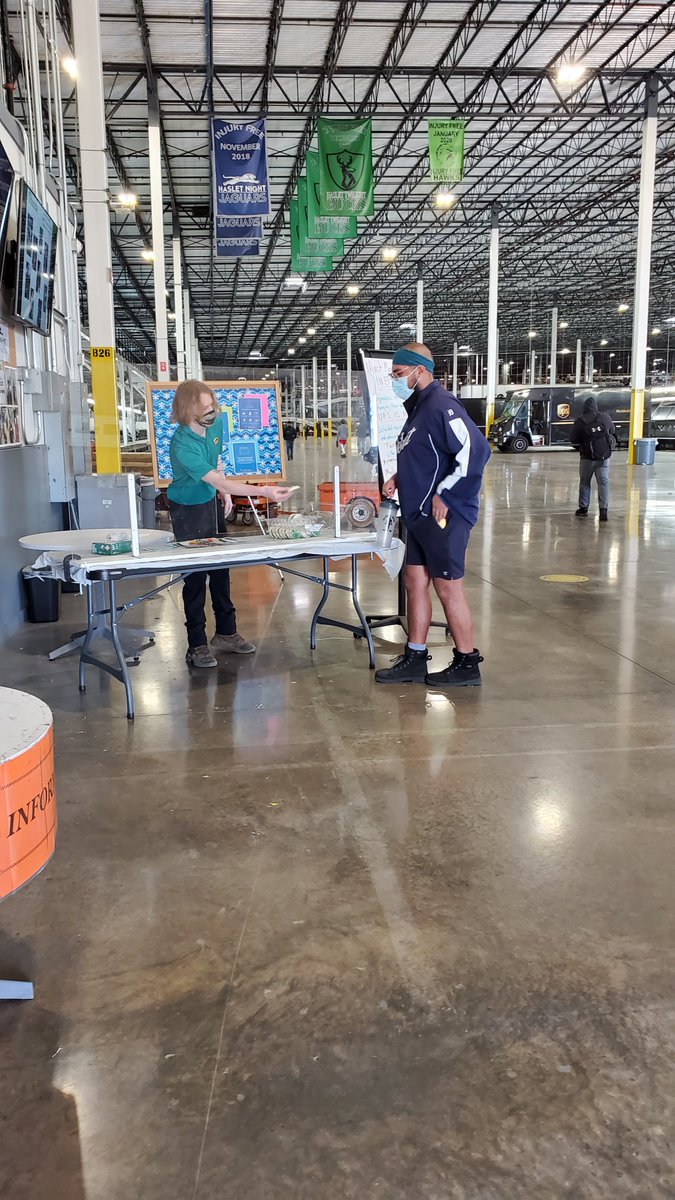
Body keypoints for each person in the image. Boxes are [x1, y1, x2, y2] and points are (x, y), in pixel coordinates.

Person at [374, 343, 491, 688]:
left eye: (399, 374)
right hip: (418, 514)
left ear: (420, 370)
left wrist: (446, 494)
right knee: (414, 581)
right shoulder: (418, 408)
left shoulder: (442, 405)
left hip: (444, 515)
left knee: (447, 587)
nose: (396, 380)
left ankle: (467, 662)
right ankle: (415, 656)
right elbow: (426, 456)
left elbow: (476, 451)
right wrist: (399, 477)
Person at [167, 380, 296, 668]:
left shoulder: (215, 427)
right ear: (187, 410)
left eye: (211, 405)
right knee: (195, 576)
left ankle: (226, 632)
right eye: (203, 408)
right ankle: (196, 644)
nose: (210, 411)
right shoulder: (181, 444)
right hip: (187, 508)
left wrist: (223, 494)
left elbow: (217, 464)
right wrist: (263, 491)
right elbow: (217, 479)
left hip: (209, 500)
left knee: (221, 567)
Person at [571, 397, 615, 521]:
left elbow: (573, 439)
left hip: (587, 457)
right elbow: (612, 431)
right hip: (603, 456)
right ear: (596, 406)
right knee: (603, 482)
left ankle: (583, 508)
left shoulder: (580, 421)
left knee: (585, 482)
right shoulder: (605, 417)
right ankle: (603, 511)